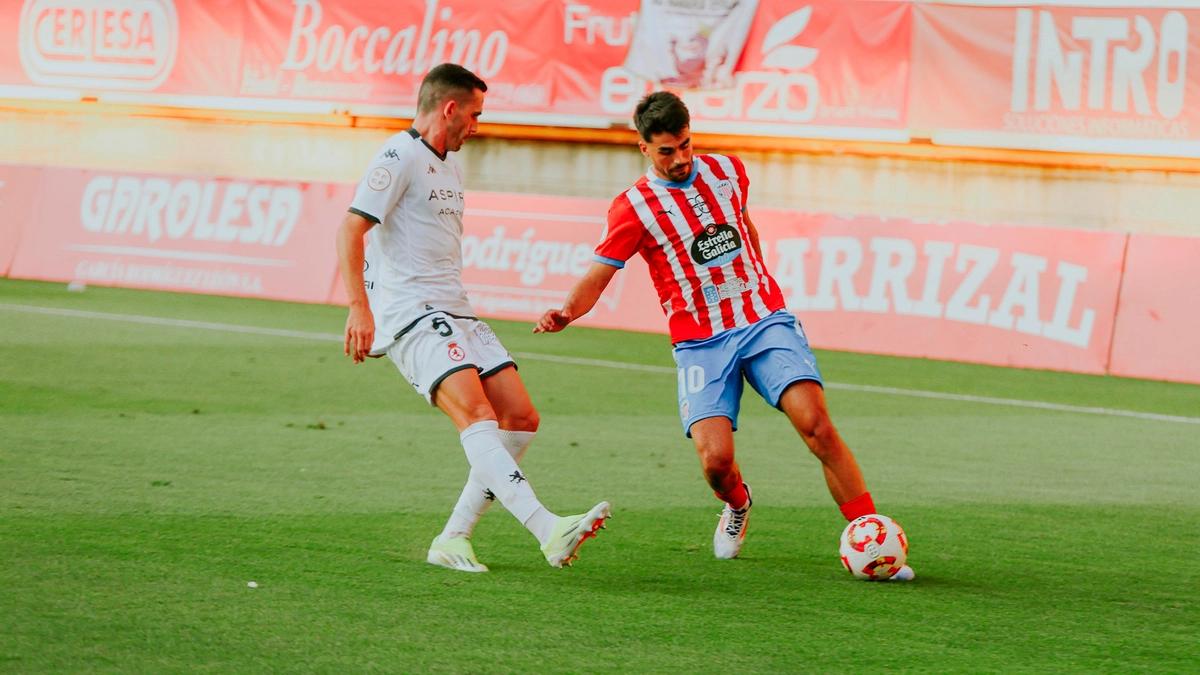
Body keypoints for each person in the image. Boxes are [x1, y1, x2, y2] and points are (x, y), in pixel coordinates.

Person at [535, 91, 912, 580]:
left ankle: (873, 539)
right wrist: (568, 311)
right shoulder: (632, 209)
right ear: (644, 147)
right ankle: (737, 504)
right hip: (700, 342)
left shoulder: (728, 172)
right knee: (715, 462)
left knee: (815, 421)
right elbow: (599, 274)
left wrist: (759, 284)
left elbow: (745, 229)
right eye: (667, 151)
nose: (681, 159)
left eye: (686, 145)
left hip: (762, 320)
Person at [337, 63, 610, 572]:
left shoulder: (449, 164)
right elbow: (351, 230)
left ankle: (453, 537)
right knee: (478, 415)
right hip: (413, 314)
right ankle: (548, 529)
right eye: (475, 114)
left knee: (521, 417)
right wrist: (361, 307)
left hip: (456, 308)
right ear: (450, 108)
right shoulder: (397, 157)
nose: (478, 126)